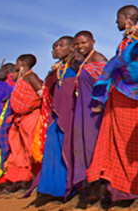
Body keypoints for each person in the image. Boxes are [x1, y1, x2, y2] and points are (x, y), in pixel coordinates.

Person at [88, 5, 138, 211]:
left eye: (118, 18)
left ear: (127, 18)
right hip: (117, 100)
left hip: (136, 100)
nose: (116, 23)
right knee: (113, 148)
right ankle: (117, 194)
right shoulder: (124, 41)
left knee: (135, 148)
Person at [35, 36, 80, 210]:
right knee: (54, 151)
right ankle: (55, 190)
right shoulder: (60, 68)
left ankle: (72, 191)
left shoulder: (77, 66)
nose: (55, 50)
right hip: (56, 115)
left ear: (71, 48)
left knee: (69, 151)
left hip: (72, 115)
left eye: (60, 46)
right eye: (54, 47)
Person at [65, 31, 108, 209]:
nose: (80, 46)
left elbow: (107, 82)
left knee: (96, 151)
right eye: (77, 44)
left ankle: (103, 194)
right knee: (85, 151)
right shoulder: (83, 62)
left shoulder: (98, 58)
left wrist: (101, 105)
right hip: (84, 112)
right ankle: (92, 192)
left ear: (93, 42)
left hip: (95, 114)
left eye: (83, 43)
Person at [0, 54, 43, 198]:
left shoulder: (31, 77)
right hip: (20, 119)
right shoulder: (22, 78)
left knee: (31, 150)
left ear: (21, 63)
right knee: (19, 151)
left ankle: (35, 184)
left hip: (31, 118)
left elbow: (42, 93)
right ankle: (23, 182)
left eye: (16, 62)